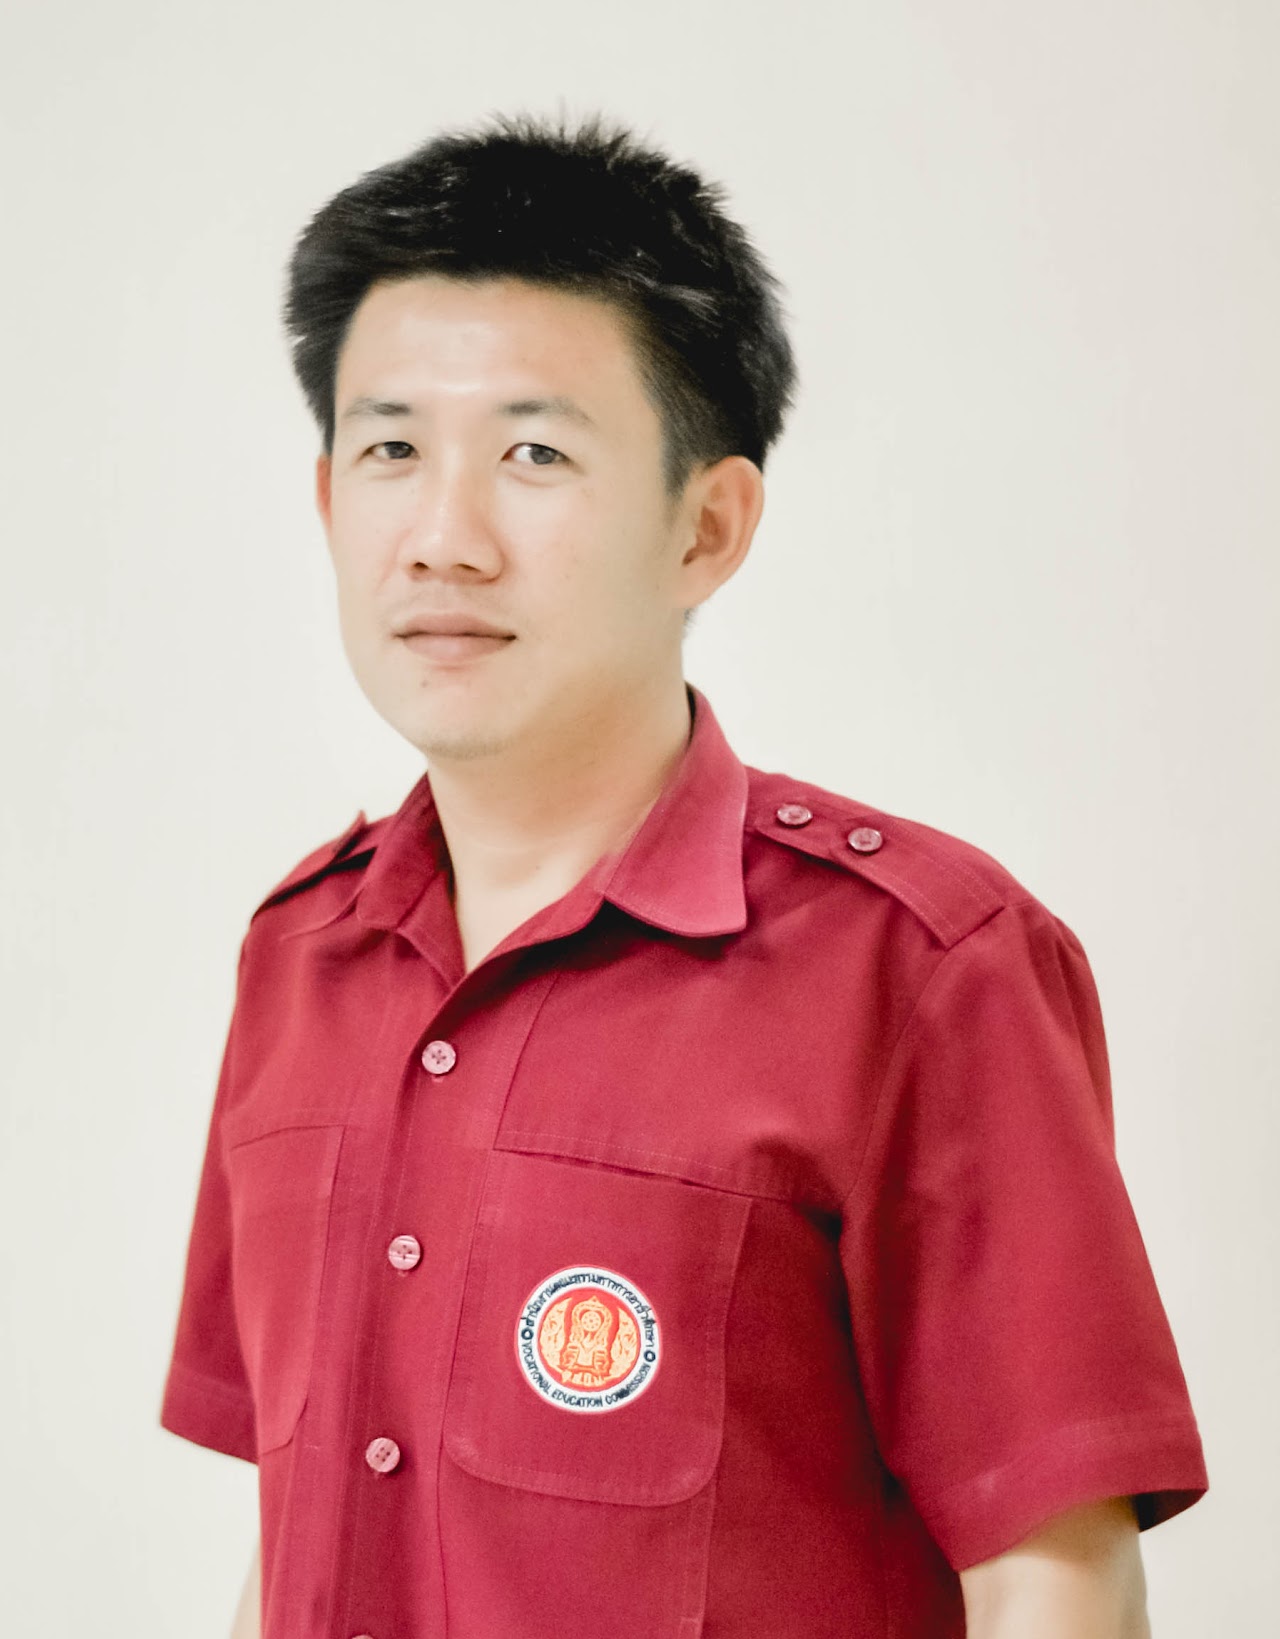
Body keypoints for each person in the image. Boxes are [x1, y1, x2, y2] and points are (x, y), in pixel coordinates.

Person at [158, 110, 1208, 1639]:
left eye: (534, 453)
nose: (442, 538)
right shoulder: (301, 954)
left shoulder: (919, 970)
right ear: (329, 503)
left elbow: (1056, 1583)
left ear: (707, 527)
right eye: (390, 449)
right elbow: (290, 1533)